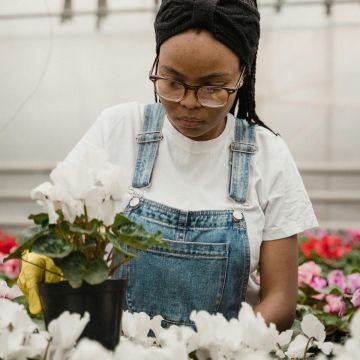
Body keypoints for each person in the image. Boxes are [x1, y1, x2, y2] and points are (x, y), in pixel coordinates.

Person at [18, 0, 318, 331]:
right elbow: (63, 212)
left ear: (243, 76)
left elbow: (280, 303)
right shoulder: (118, 129)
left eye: (213, 88)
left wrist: (214, 345)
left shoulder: (269, 156)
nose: (189, 102)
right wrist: (47, 253)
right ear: (157, 63)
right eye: (172, 82)